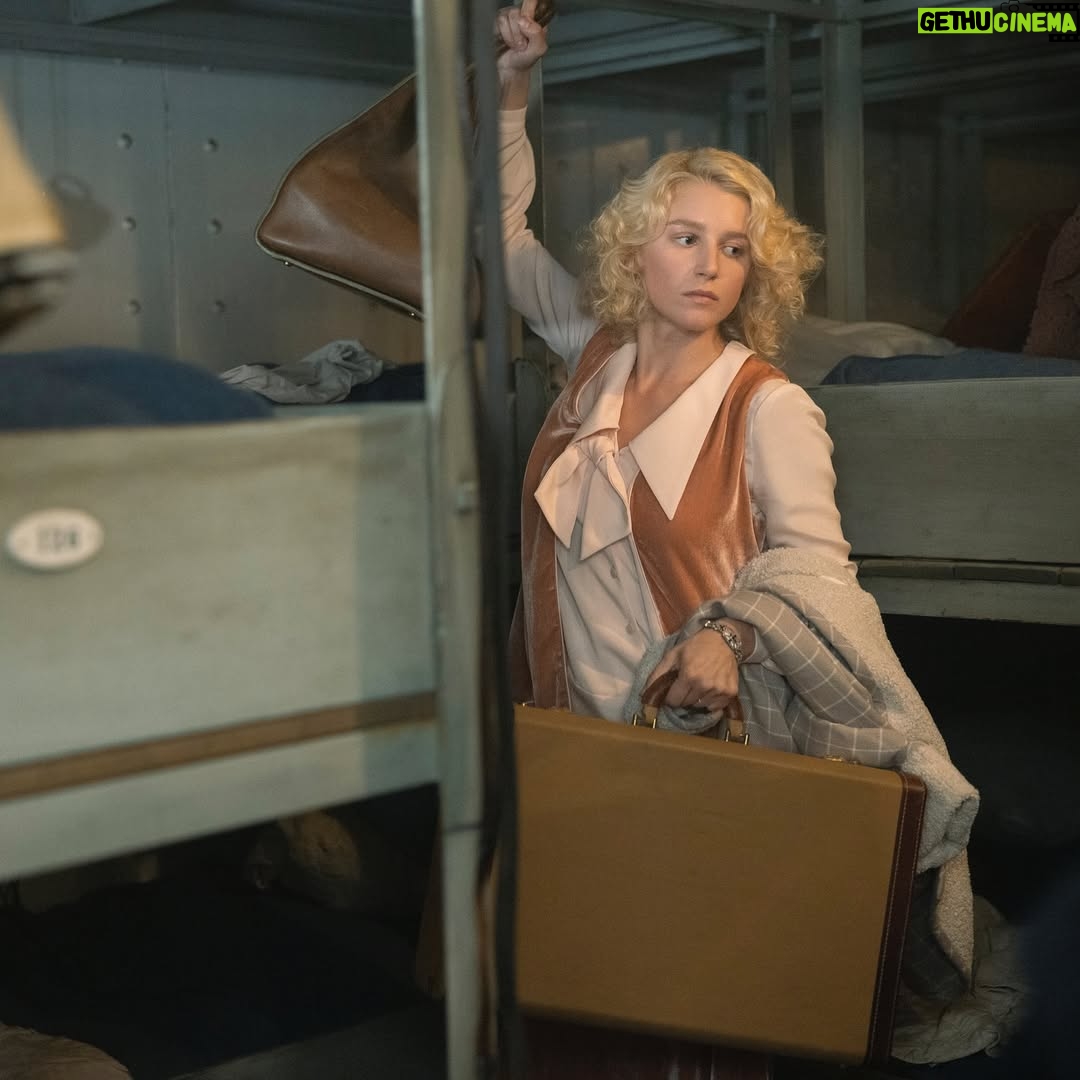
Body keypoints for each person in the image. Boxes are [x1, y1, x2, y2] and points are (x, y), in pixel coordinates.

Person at [497, 0, 851, 721]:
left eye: (734, 247)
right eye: (686, 238)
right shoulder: (596, 354)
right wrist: (513, 83)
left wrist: (731, 636)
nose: (710, 265)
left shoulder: (768, 407)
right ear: (635, 253)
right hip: (559, 725)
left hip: (693, 741)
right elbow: (499, 236)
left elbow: (826, 589)